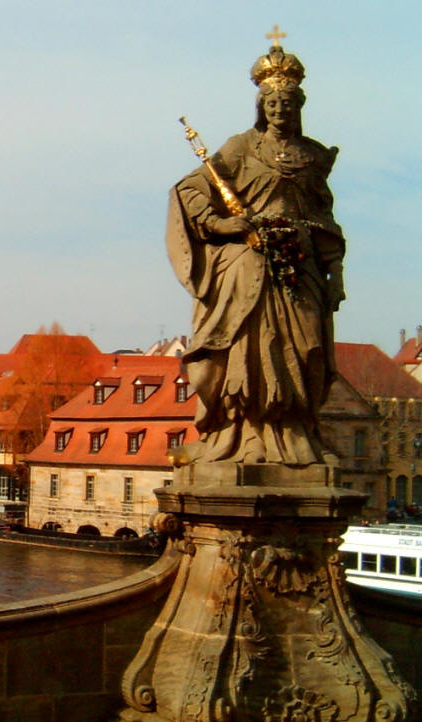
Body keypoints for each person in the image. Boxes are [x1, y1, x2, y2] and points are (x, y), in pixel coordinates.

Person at [167, 42, 345, 465]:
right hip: (247, 260)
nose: (280, 108)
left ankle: (296, 434)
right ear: (261, 106)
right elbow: (190, 190)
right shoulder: (240, 147)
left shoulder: (315, 156)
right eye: (272, 101)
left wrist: (335, 271)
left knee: (307, 349)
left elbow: (325, 218)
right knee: (247, 346)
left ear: (298, 106)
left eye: (287, 101)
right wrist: (223, 225)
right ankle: (243, 434)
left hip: (300, 264)